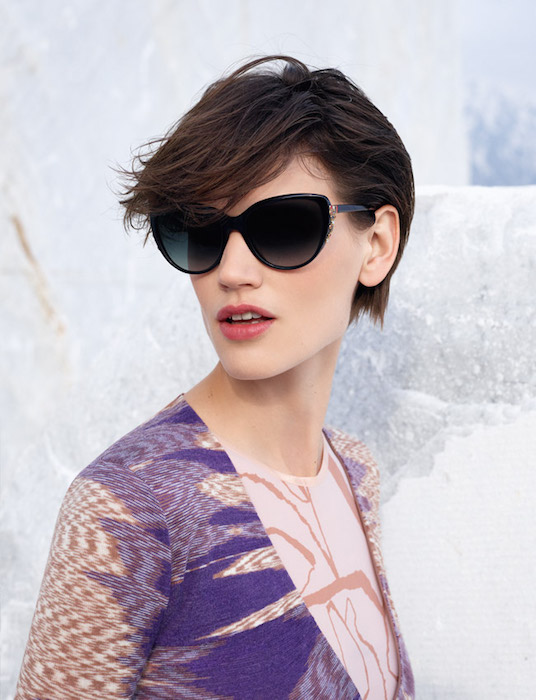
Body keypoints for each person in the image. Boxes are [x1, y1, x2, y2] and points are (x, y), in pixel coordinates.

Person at [16, 56, 415, 699]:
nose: (232, 271)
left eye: (282, 227)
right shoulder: (126, 508)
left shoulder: (356, 475)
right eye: (200, 233)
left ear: (377, 245)